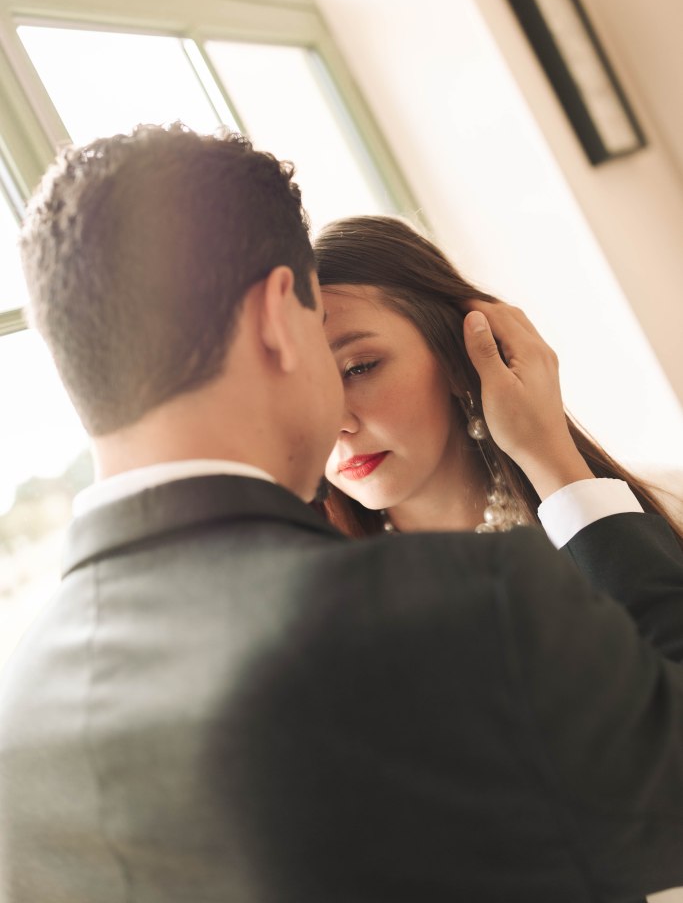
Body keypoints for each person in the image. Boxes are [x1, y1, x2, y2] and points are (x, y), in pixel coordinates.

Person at [0, 124, 682, 903]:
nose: (341, 414)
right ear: (277, 315)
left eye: (360, 364)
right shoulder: (462, 607)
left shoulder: (19, 720)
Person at [314, 213, 683, 547]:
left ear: (457, 352)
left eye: (358, 368)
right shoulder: (325, 594)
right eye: (301, 393)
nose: (333, 424)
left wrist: (549, 456)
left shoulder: (666, 507)